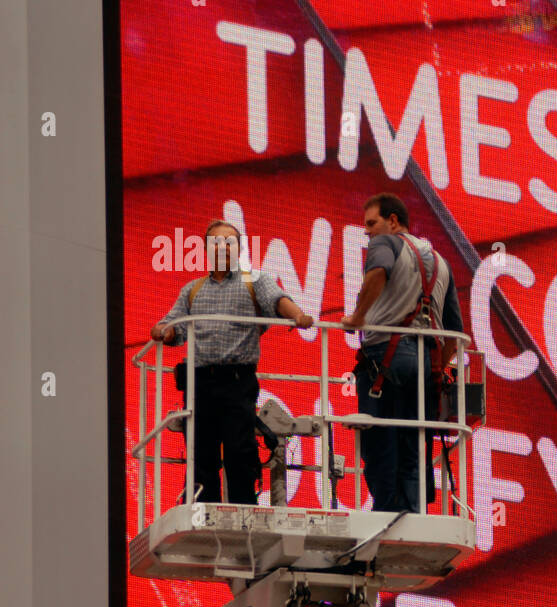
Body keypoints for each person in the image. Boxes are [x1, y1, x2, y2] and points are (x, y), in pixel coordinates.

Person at [152, 219, 314, 504]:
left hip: (238, 381)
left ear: (239, 248)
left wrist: (298, 316)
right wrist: (162, 331)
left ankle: (244, 511)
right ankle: (205, 512)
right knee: (203, 453)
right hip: (201, 381)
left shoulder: (255, 282)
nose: (223, 248)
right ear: (206, 249)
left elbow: (277, 300)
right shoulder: (192, 289)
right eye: (217, 242)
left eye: (230, 242)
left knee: (240, 450)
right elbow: (173, 326)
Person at [341, 193, 465, 513]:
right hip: (425, 363)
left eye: (371, 223)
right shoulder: (441, 262)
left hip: (385, 356)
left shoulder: (385, 243)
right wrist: (438, 369)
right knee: (413, 441)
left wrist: (357, 318)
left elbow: (378, 272)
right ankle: (412, 510)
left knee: (379, 438)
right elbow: (455, 328)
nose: (367, 231)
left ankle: (386, 511)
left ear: (392, 221)